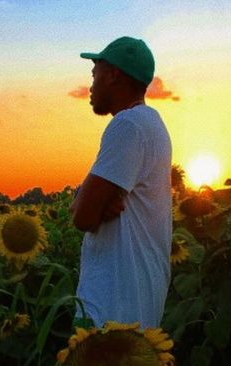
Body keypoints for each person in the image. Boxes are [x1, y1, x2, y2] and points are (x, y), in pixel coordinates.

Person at [70, 36, 172, 329]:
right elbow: (86, 205)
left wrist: (86, 201)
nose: (90, 86)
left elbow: (82, 217)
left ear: (113, 74)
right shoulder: (152, 124)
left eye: (95, 74)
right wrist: (87, 198)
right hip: (137, 303)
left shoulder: (127, 126)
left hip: (111, 308)